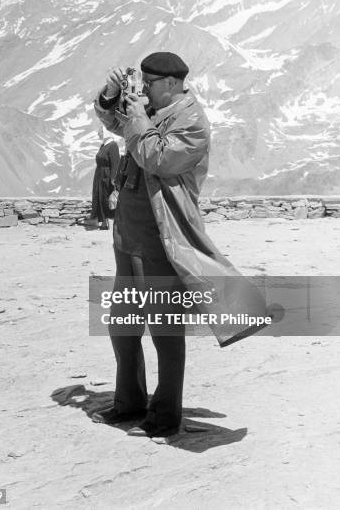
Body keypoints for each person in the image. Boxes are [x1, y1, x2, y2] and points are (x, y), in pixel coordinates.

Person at [91, 51, 267, 438]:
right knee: (123, 323)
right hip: (129, 233)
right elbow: (116, 124)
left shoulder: (192, 121)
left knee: (163, 327)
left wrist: (137, 114)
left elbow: (157, 158)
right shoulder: (152, 109)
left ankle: (165, 414)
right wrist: (111, 94)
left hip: (163, 234)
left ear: (170, 83)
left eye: (149, 84)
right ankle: (128, 402)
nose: (144, 91)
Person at [84, 125, 120, 230]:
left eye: (100, 131)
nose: (99, 133)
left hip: (107, 176)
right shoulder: (103, 146)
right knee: (99, 197)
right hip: (99, 174)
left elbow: (115, 163)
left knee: (106, 199)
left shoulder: (113, 146)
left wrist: (113, 179)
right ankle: (103, 221)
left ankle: (109, 220)